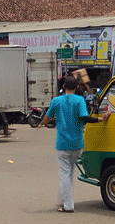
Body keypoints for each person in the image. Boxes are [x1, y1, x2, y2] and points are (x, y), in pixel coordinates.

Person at [39, 76, 110, 213]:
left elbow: (47, 118)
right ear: (77, 87)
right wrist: (101, 119)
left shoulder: (56, 101)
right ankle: (63, 199)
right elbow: (84, 118)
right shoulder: (79, 100)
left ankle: (68, 205)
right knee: (69, 173)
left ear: (64, 87)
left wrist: (43, 123)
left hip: (62, 144)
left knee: (65, 174)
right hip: (77, 143)